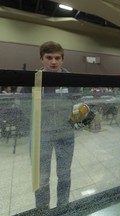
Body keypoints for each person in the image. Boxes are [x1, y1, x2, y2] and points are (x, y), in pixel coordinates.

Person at [30, 41, 80, 210]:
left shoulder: (71, 80)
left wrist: (72, 122)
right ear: (41, 59)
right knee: (42, 177)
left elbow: (77, 102)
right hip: (40, 135)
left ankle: (63, 207)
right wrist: (35, 122)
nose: (53, 61)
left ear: (62, 60)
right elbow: (20, 102)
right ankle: (42, 209)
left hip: (65, 135)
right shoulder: (34, 79)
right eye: (49, 57)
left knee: (64, 174)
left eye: (57, 58)